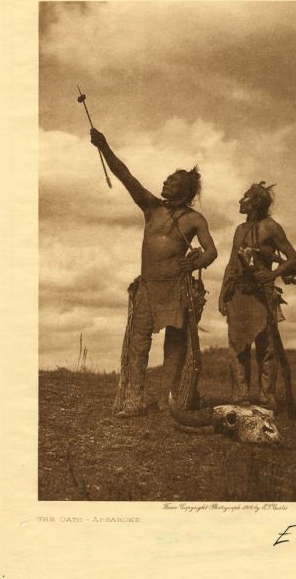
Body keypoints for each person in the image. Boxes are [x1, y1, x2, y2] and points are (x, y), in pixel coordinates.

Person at [90, 128, 217, 416]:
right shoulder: (151, 207)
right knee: (138, 342)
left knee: (174, 344)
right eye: (167, 178)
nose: (165, 181)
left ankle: (168, 399)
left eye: (172, 181)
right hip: (147, 287)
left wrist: (194, 264)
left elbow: (211, 251)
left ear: (185, 190)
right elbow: (125, 175)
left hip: (176, 288)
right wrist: (105, 145)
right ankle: (133, 400)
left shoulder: (194, 219)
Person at [219, 182, 296, 410]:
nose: (240, 201)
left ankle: (267, 399)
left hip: (262, 295)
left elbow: (293, 258)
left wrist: (272, 274)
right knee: (237, 346)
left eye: (245, 197)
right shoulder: (239, 230)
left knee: (267, 348)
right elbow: (232, 263)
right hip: (238, 295)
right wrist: (223, 294)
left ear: (254, 203)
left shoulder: (271, 227)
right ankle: (241, 397)